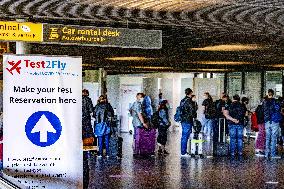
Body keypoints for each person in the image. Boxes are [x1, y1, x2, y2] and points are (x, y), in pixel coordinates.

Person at [262, 89, 282, 159]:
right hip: (274, 121)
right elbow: (278, 109)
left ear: (268, 93)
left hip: (267, 121)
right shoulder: (276, 101)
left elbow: (263, 111)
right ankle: (273, 154)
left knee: (267, 138)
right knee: (273, 138)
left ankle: (266, 154)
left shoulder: (264, 102)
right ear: (273, 94)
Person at [179, 88, 197, 157]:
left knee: (184, 136)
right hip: (188, 120)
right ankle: (183, 152)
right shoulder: (189, 101)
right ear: (191, 93)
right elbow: (193, 111)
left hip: (183, 120)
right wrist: (194, 103)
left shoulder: (182, 100)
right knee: (185, 136)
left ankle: (183, 151)